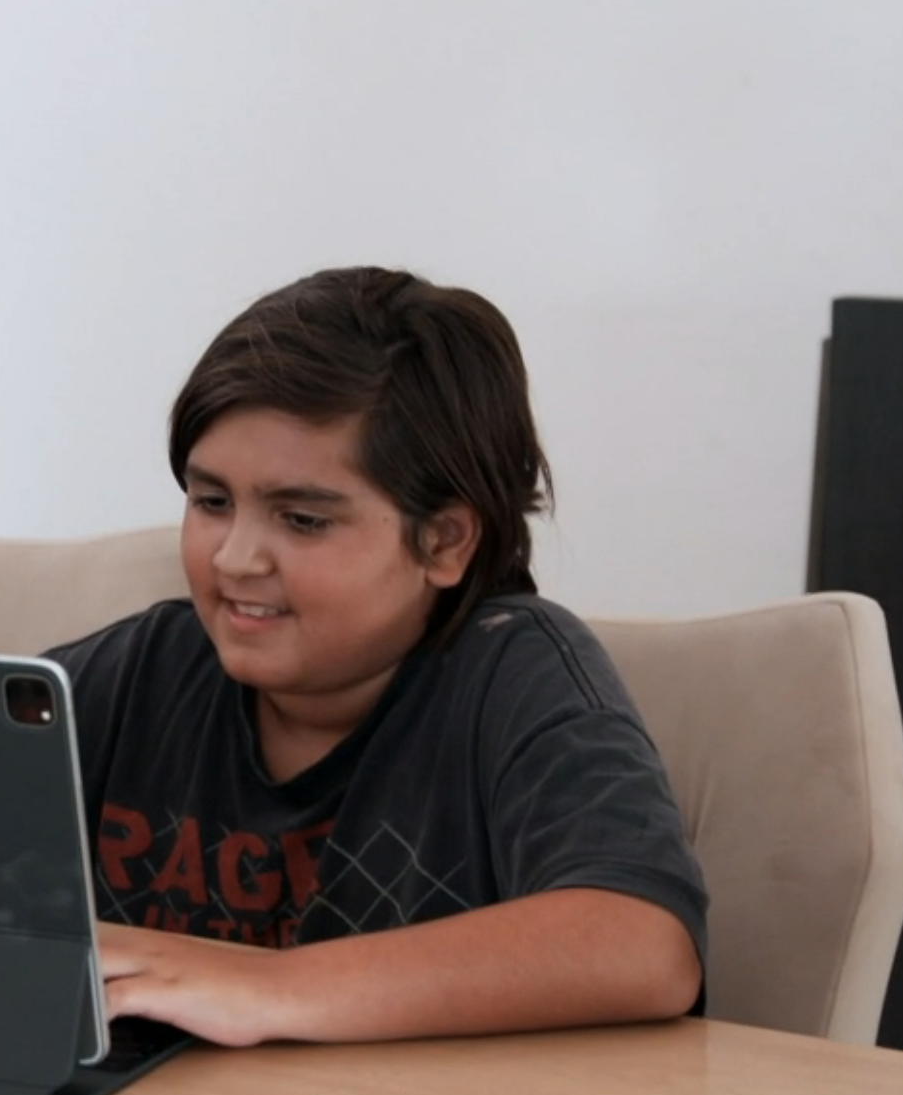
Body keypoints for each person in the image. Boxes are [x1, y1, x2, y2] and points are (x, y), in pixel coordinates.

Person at [55, 267, 706, 1045]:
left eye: (301, 519)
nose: (235, 558)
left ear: (444, 540)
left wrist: (269, 989)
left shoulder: (515, 676)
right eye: (212, 502)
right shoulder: (137, 673)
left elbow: (642, 943)